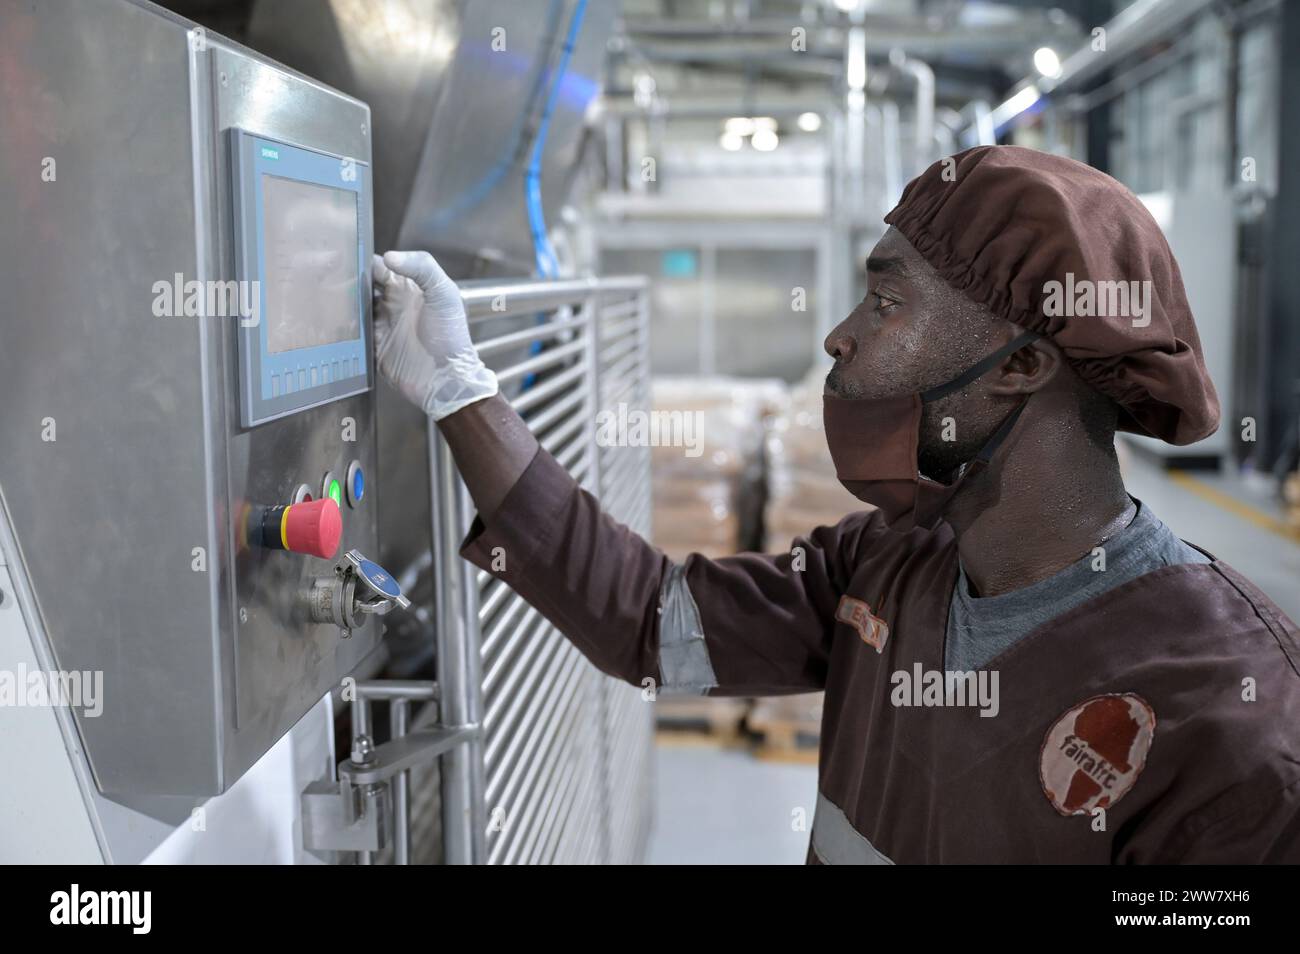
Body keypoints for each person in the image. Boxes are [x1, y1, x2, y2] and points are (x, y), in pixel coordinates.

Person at [372, 145, 1300, 863]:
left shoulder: (1227, 712)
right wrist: (460, 391)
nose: (838, 336)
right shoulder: (889, 567)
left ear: (1020, 365)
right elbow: (648, 621)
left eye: (884, 304)